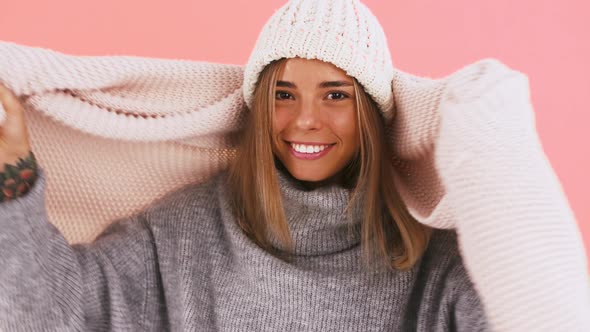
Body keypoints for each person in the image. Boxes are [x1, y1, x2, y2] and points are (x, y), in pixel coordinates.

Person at [0, 0, 588, 331]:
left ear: (374, 113)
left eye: (335, 95)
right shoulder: (186, 233)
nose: (305, 119)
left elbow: (541, 316)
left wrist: (487, 128)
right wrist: (15, 177)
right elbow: (52, 310)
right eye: (283, 94)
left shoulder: (432, 262)